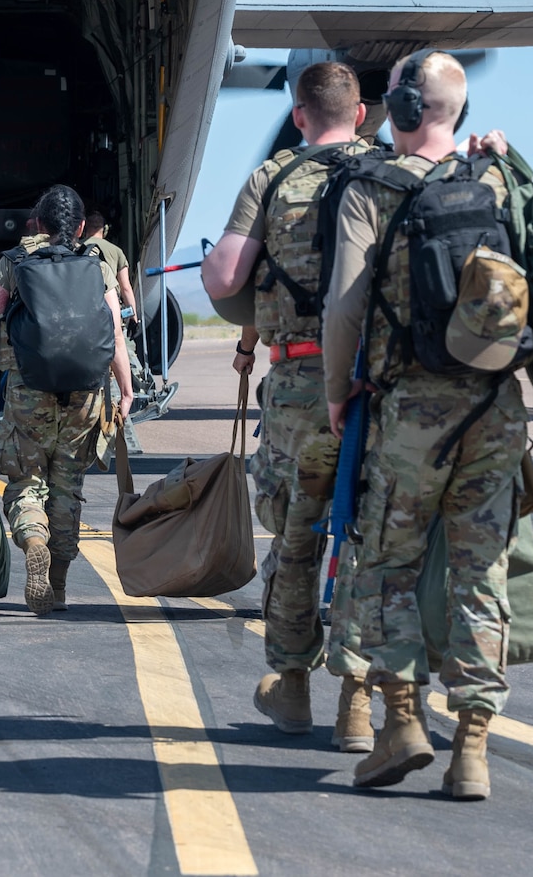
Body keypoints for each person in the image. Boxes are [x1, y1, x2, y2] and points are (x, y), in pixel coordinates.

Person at [319, 49, 521, 798]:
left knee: (387, 563)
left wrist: (339, 391)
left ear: (403, 110)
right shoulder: (495, 178)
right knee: (480, 570)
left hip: (410, 410)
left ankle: (400, 723)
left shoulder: (368, 186)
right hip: (495, 409)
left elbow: (344, 305)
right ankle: (472, 746)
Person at [199, 61, 376, 745]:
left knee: (297, 535)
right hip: (375, 386)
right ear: (360, 115)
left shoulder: (275, 177)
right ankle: (358, 700)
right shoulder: (391, 173)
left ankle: (293, 684)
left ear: (300, 116)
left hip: (301, 381)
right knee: (368, 537)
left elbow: (223, 276)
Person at [0, 184, 133, 615]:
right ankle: (57, 586)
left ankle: (33, 537)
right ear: (78, 226)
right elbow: (113, 333)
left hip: (28, 389)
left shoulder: (15, 264)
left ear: (37, 223)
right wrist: (126, 390)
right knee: (68, 486)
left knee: (25, 481)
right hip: (86, 394)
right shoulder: (97, 265)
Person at [82, 212, 137, 315]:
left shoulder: (75, 248)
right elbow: (125, 287)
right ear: (105, 229)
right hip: (111, 308)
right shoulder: (117, 251)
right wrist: (134, 316)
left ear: (84, 227)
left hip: (83, 308)